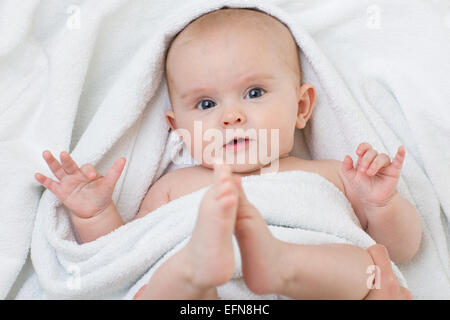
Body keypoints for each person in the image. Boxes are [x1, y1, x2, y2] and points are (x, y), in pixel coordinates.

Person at [35, 8, 421, 299]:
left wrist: (381, 205)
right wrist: (97, 214)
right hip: (209, 295)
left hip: (307, 283)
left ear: (302, 107)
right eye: (205, 104)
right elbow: (127, 253)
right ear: (178, 128)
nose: (231, 116)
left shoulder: (334, 174)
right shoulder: (175, 186)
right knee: (157, 285)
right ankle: (192, 272)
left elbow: (402, 248)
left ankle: (279, 263)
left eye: (254, 93)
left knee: (368, 267)